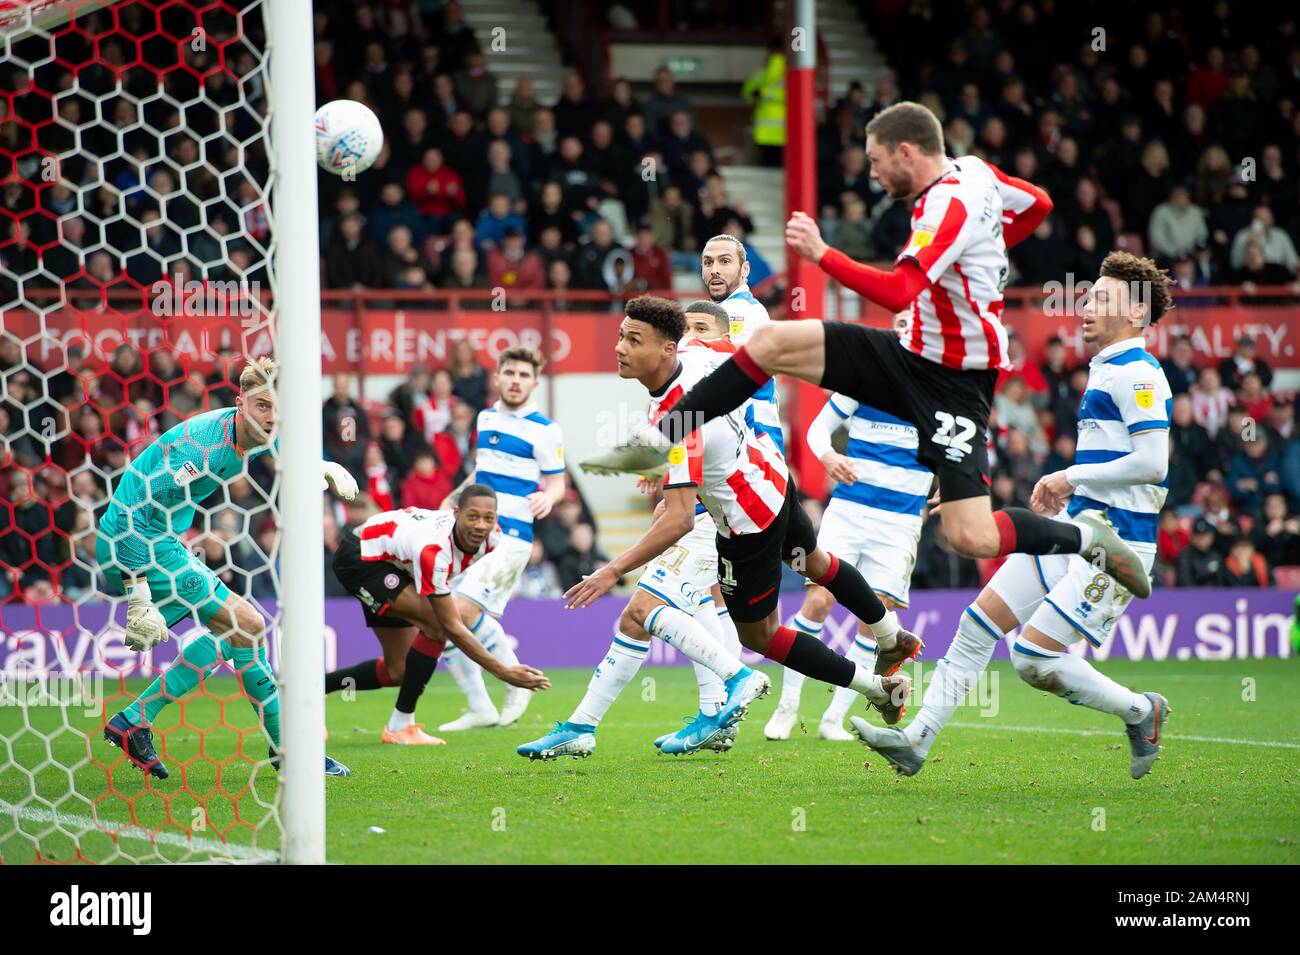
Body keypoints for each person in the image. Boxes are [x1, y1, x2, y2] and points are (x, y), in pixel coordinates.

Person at [588, 102, 1153, 600]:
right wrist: (988, 246)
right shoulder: (978, 174)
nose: (874, 174)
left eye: (877, 161)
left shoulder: (945, 208)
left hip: (956, 381)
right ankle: (662, 438)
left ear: (907, 153)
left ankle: (1087, 538)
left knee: (969, 535)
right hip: (908, 352)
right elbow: (1038, 204)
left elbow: (898, 291)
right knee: (771, 341)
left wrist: (822, 253)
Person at [517, 297, 910, 762]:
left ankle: (877, 688)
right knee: (817, 563)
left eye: (632, 339)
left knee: (757, 637)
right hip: (774, 480)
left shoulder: (681, 420)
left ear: (668, 348)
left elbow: (681, 517)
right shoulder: (702, 355)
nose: (619, 348)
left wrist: (612, 569)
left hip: (747, 525)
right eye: (620, 336)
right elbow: (753, 349)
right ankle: (890, 636)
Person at [853, 252, 1174, 780]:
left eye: (1102, 298)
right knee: (977, 624)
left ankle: (1142, 711)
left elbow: (1153, 461)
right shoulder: (1107, 368)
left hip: (1118, 543)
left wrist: (1067, 476)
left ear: (1136, 315)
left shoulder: (1137, 372)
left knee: (1032, 660)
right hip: (1079, 530)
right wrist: (1065, 487)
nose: (1087, 305)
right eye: (1089, 294)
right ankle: (916, 741)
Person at [98, 357, 358, 779]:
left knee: (236, 634)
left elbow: (281, 442)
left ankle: (134, 721)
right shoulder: (200, 451)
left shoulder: (254, 429)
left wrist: (321, 464)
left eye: (278, 407)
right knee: (250, 624)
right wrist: (138, 593)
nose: (272, 417)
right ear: (240, 403)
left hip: (163, 541)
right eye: (262, 406)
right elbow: (133, 511)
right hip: (136, 542)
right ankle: (290, 752)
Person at [324, 486, 551, 745]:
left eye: (489, 518)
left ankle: (315, 687)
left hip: (395, 563)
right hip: (361, 557)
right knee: (437, 624)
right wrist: (504, 672)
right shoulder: (433, 551)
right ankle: (401, 726)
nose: (480, 525)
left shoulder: (492, 539)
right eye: (472, 516)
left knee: (399, 671)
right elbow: (451, 625)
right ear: (456, 514)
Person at [765, 389, 929, 742]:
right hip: (849, 510)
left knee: (875, 622)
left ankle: (832, 719)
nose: (906, 330)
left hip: (901, 521)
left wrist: (962, 482)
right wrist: (827, 456)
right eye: (900, 326)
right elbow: (817, 429)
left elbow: (960, 448)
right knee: (818, 600)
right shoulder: (865, 380)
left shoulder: (937, 392)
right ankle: (787, 706)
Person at [437, 347, 566, 731]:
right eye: (509, 373)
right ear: (497, 377)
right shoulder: (486, 417)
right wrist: (454, 498)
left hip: (511, 537)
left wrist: (550, 495)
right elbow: (481, 473)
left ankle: (515, 679)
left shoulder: (545, 429)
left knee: (458, 614)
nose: (515, 381)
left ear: (534, 382)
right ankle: (480, 706)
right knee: (441, 619)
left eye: (524, 375)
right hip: (472, 533)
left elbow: (558, 481)